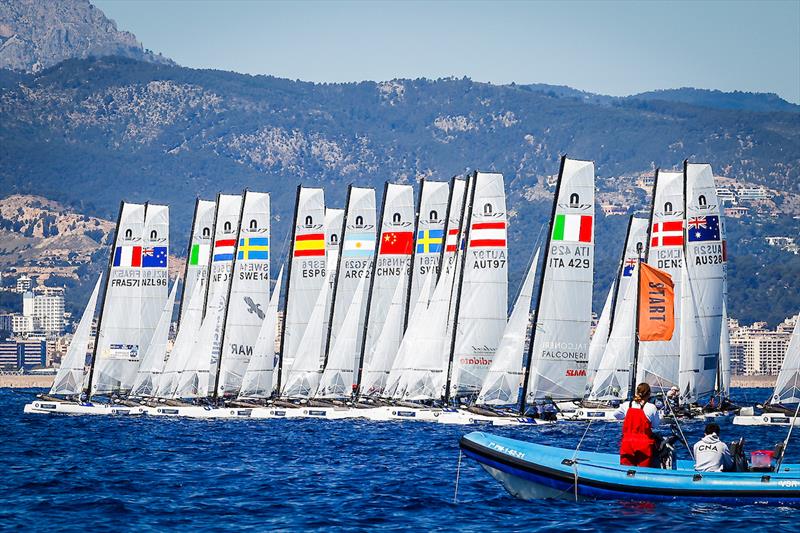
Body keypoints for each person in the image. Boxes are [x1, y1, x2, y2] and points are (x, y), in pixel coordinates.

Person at [613, 383, 661, 467]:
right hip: (644, 446)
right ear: (649, 394)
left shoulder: (627, 405)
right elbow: (656, 425)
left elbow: (616, 415)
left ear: (636, 392)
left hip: (627, 444)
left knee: (626, 470)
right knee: (643, 471)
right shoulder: (651, 407)